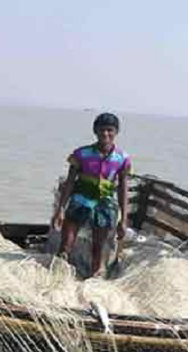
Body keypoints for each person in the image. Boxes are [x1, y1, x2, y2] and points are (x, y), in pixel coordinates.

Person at [50, 112, 132, 279]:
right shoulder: (82, 154)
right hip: (80, 201)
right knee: (66, 245)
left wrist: (123, 220)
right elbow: (70, 182)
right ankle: (58, 276)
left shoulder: (122, 158)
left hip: (105, 205)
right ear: (95, 131)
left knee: (99, 248)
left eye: (109, 130)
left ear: (116, 132)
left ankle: (95, 279)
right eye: (101, 130)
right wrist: (60, 209)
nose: (105, 134)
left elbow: (123, 188)